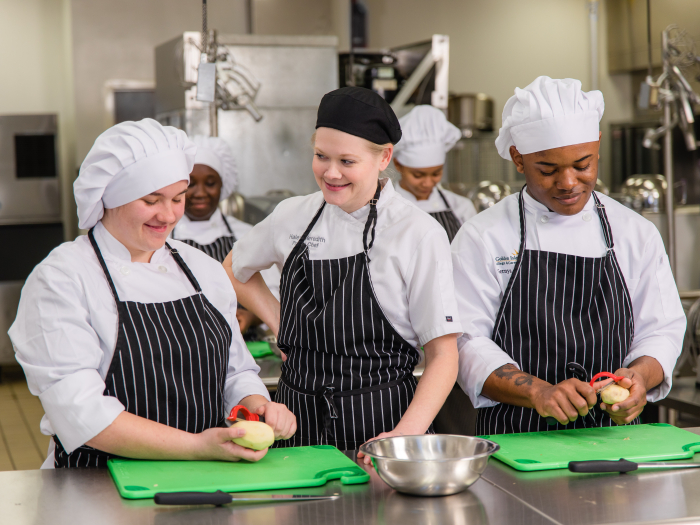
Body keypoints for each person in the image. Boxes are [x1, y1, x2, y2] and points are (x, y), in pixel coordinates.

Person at [9, 119, 295, 468]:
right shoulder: (62, 278)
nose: (169, 214)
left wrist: (255, 405)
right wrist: (196, 446)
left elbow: (235, 372)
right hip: (99, 486)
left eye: (178, 198)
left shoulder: (201, 269)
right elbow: (82, 414)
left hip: (206, 477)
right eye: (151, 200)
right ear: (111, 198)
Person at [224, 87, 462, 453]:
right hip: (295, 426)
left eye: (347, 162)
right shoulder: (293, 215)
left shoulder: (417, 233)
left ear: (384, 157)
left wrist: (404, 434)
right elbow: (233, 269)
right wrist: (279, 319)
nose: (330, 173)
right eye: (321, 156)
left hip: (381, 426)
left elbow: (444, 355)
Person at [452, 77, 686, 435]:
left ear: (598, 148)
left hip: (617, 437)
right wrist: (537, 391)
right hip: (517, 437)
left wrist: (640, 377)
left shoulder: (634, 232)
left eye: (583, 165)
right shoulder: (484, 236)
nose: (568, 182)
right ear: (518, 158)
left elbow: (662, 329)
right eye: (547, 169)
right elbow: (465, 341)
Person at [171, 135, 281, 332]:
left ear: (223, 186)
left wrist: (252, 316)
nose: (200, 193)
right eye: (191, 184)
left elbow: (273, 294)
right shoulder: (161, 238)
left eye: (210, 183)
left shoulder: (246, 235)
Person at [393, 105, 476, 242]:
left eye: (436, 173)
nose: (428, 183)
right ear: (398, 165)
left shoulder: (460, 207)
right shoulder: (384, 208)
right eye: (418, 175)